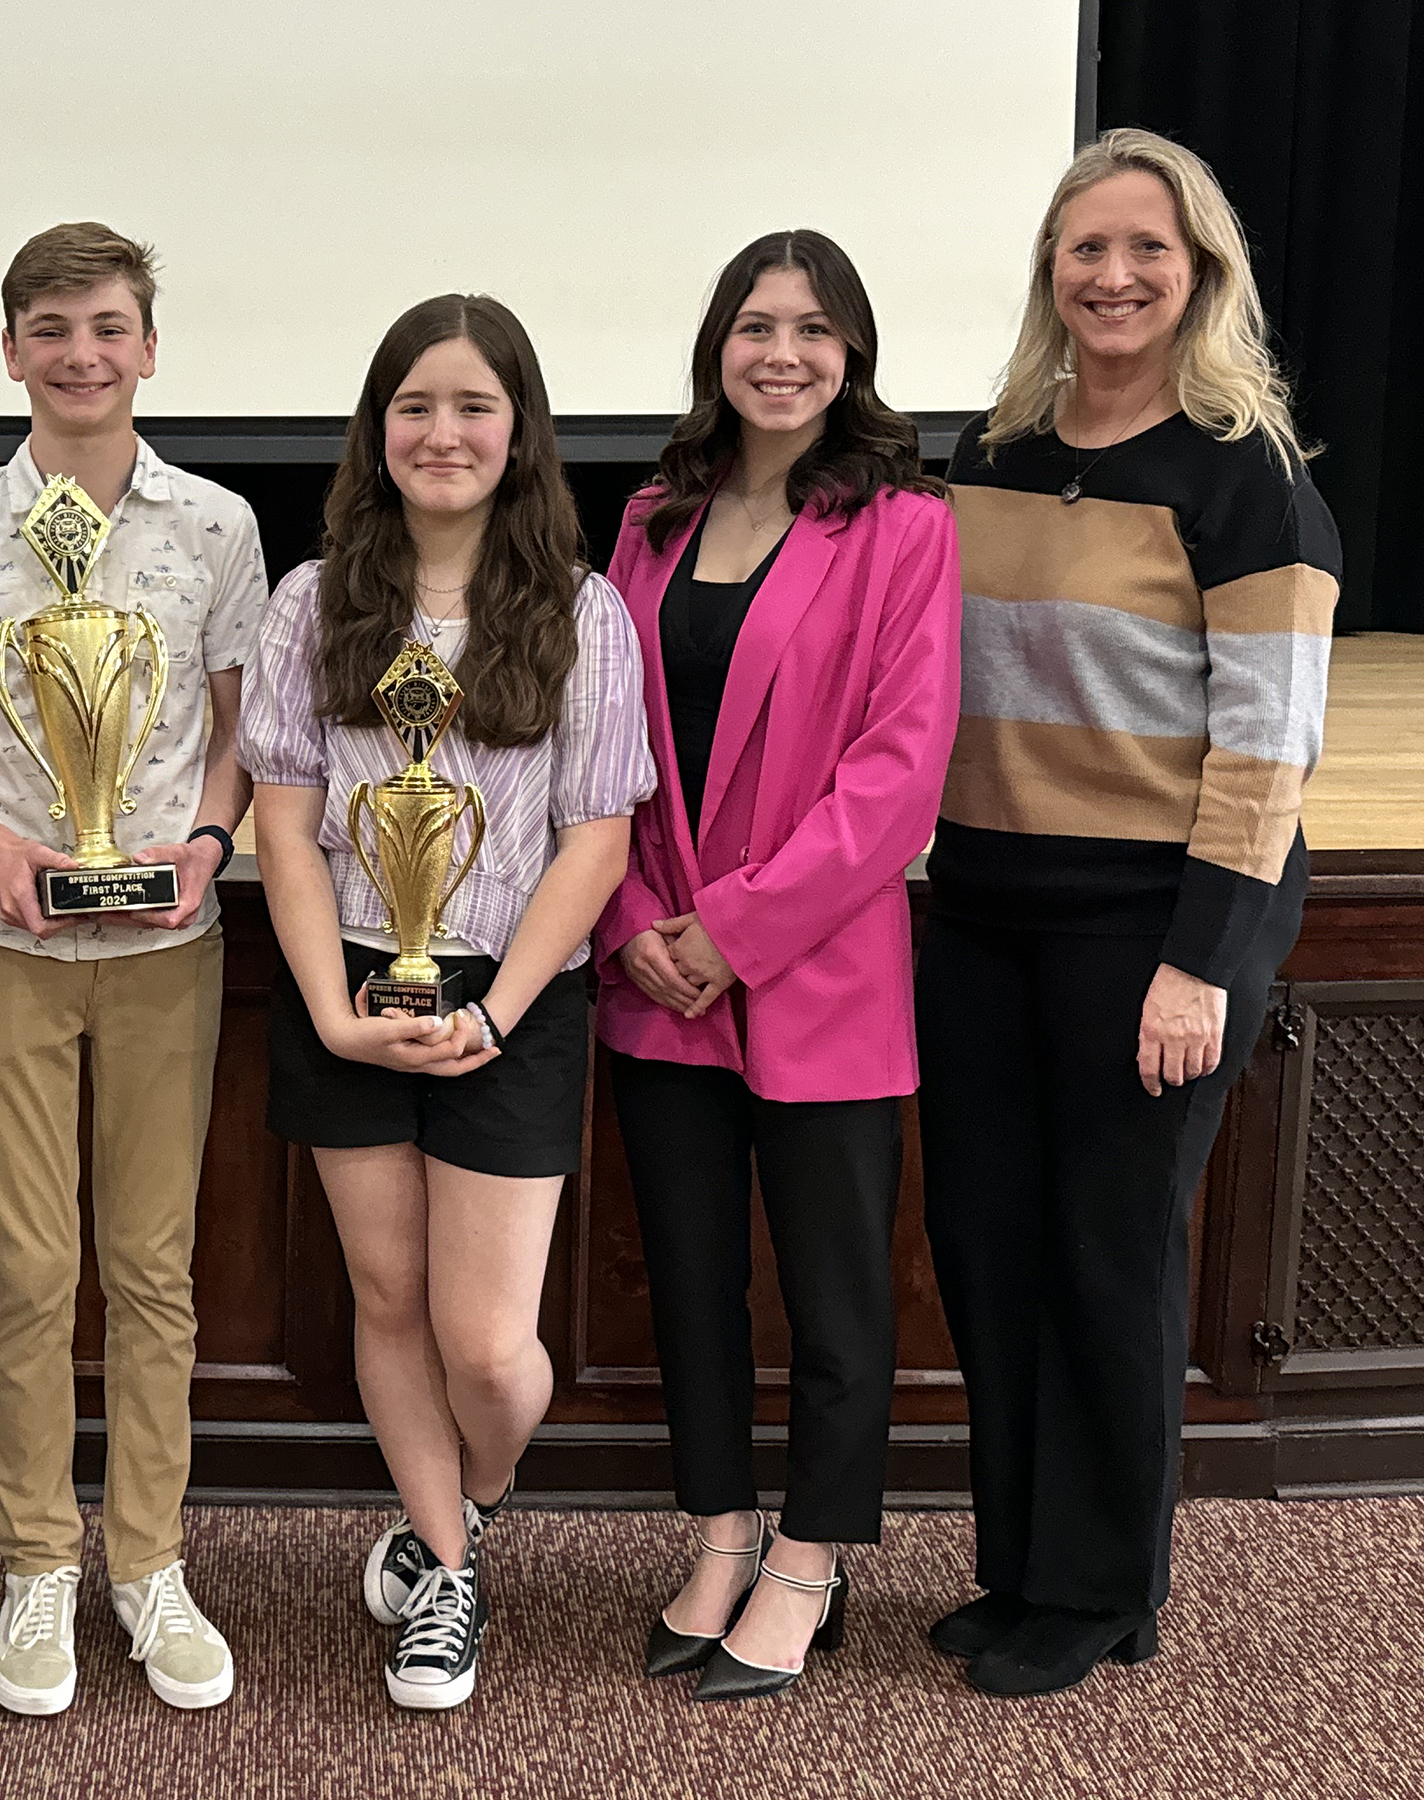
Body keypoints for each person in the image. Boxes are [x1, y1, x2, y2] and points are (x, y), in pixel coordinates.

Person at [920, 128, 1340, 1698]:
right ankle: (1025, 1569)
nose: (1113, 276)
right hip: (982, 910)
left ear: (1200, 271)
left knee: (1108, 1257)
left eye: (1146, 249)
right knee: (987, 1246)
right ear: (1052, 269)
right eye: (1085, 248)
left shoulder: (1250, 480)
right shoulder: (993, 456)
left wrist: (1201, 965)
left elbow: (1269, 751)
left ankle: (1101, 1594)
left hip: (1150, 925)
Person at [0, 223, 266, 1717]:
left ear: (150, 347)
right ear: (10, 351)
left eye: (108, 327)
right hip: (2, 946)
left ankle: (148, 1561)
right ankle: (38, 1559)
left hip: (168, 945)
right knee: (31, 1275)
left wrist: (210, 841)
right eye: (51, 329)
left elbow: (239, 726)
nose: (81, 354)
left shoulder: (217, 526)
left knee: (155, 1271)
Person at [242, 294, 652, 1710]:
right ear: (377, 429)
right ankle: (448, 1572)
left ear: (520, 431)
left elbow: (596, 840)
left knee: (484, 1343)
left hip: (511, 993)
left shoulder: (584, 613)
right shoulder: (310, 604)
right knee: (386, 1294)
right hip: (348, 981)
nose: (443, 432)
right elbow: (287, 824)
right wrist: (330, 1009)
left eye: (475, 406)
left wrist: (496, 1012)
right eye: (414, 405)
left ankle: (471, 1497)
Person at [591, 232, 961, 1701]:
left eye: (814, 329)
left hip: (815, 968)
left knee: (833, 1294)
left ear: (851, 353)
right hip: (657, 971)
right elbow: (600, 743)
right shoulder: (650, 519)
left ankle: (810, 1561)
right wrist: (633, 921)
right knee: (689, 1284)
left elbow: (898, 777)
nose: (783, 354)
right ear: (718, 346)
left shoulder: (906, 528)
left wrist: (733, 930)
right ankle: (720, 1534)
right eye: (756, 326)